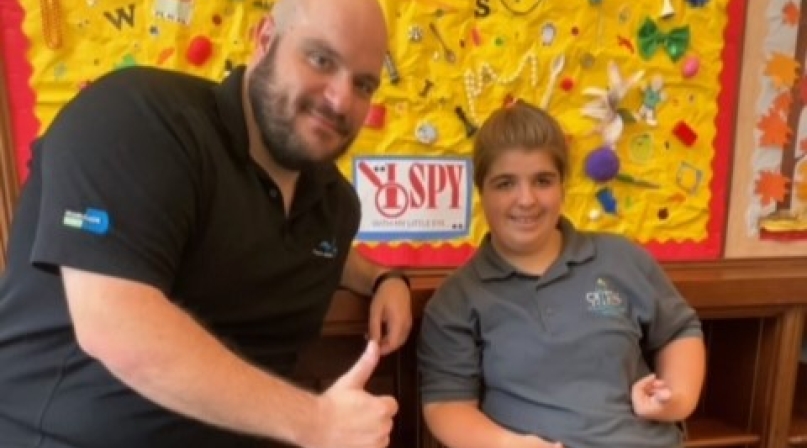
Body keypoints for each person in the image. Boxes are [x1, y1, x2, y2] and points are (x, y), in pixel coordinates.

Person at [0, 0, 412, 447]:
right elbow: (114, 322)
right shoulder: (139, 119)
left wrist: (382, 278)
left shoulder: (334, 206)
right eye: (321, 59)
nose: (340, 98)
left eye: (364, 84)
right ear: (265, 39)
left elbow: (309, 245)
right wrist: (316, 422)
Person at [418, 100, 705, 448]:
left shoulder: (620, 257)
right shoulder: (456, 299)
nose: (526, 200)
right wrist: (509, 445)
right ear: (481, 192)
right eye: (505, 183)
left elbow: (679, 330)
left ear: (562, 186)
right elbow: (447, 405)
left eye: (542, 180)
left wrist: (674, 400)